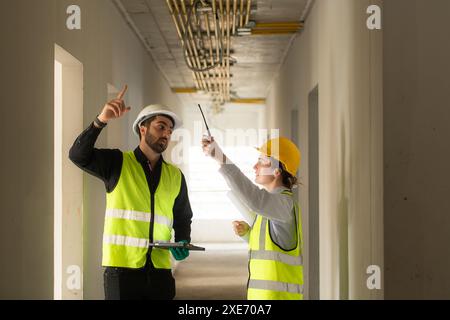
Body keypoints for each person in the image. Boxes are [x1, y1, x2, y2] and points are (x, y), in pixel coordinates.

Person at [69, 85, 193, 300]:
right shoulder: (117, 163)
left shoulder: (175, 176)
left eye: (170, 131)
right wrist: (100, 121)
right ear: (143, 129)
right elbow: (78, 155)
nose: (166, 134)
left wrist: (183, 240)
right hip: (121, 271)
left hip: (160, 271)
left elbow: (183, 217)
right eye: (161, 127)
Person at [202, 136, 303, 300]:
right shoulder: (274, 206)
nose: (255, 166)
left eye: (261, 161)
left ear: (277, 171)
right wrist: (249, 234)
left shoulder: (283, 205)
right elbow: (274, 247)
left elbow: (254, 199)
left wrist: (221, 158)